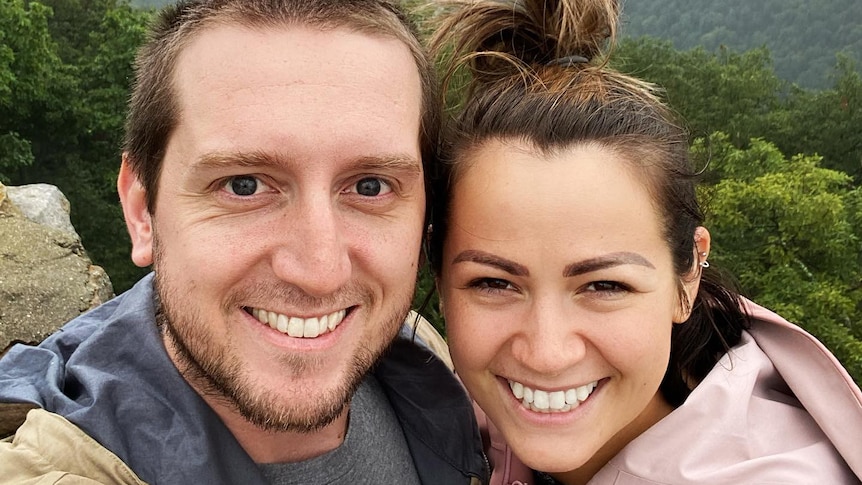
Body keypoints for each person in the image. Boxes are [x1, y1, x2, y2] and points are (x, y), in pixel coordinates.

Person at [0, 1, 488, 483]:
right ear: (141, 211)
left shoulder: (419, 349)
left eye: (369, 187)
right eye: (244, 185)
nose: (321, 272)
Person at [427, 0, 862, 483]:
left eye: (605, 286)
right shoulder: (449, 415)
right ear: (440, 280)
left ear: (688, 275)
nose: (546, 354)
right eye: (493, 283)